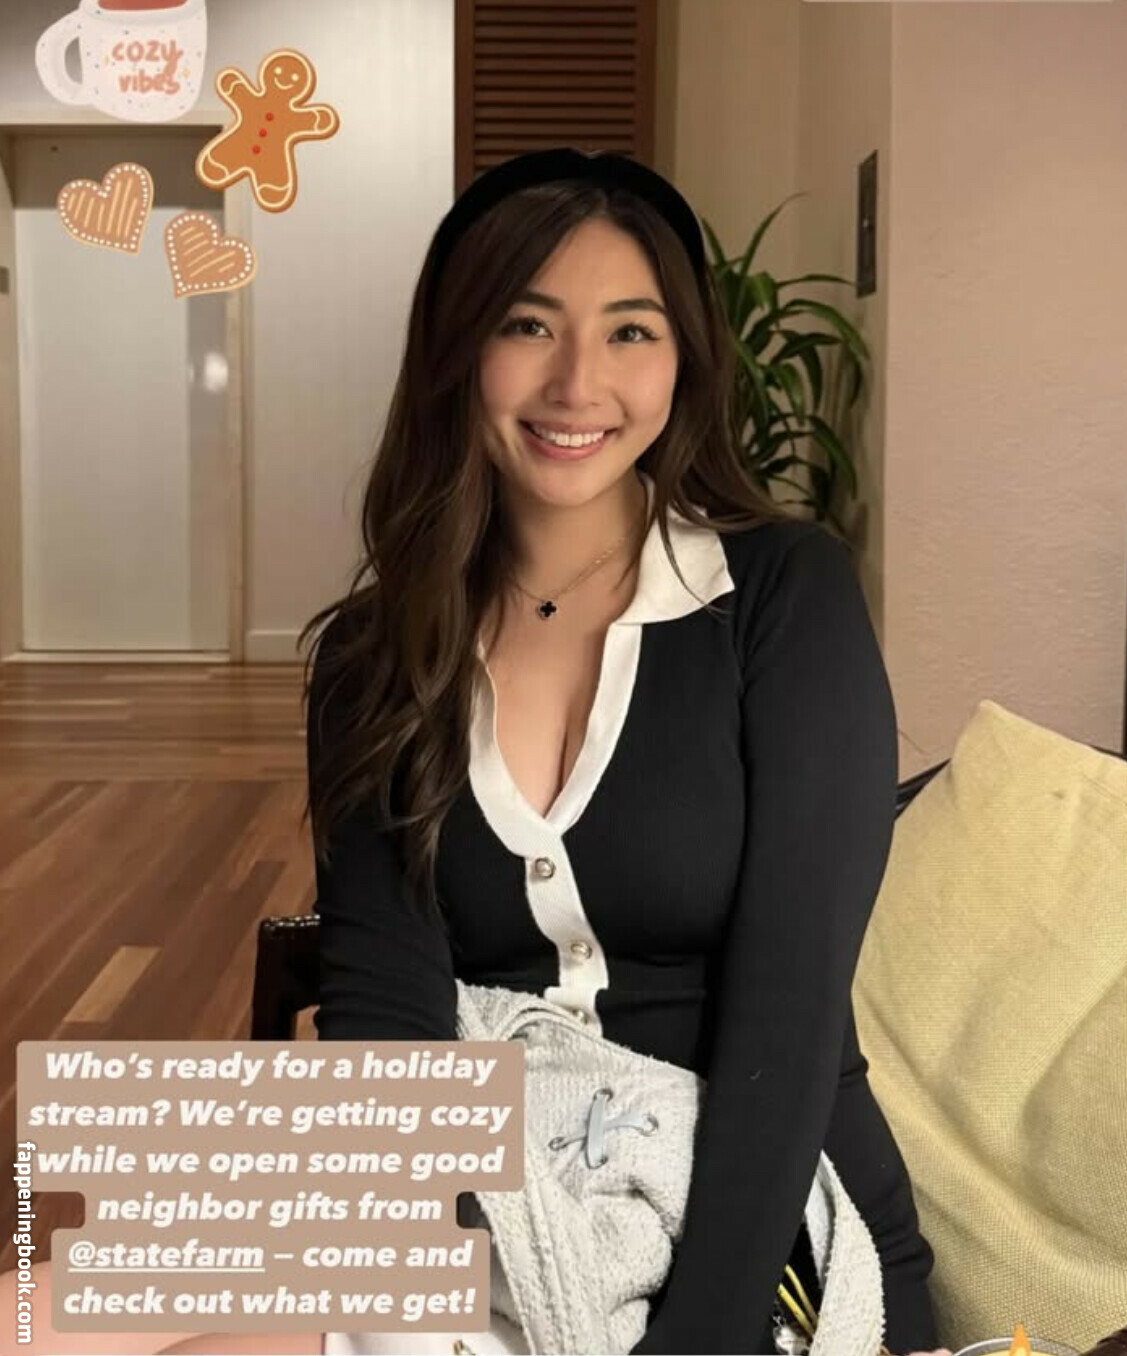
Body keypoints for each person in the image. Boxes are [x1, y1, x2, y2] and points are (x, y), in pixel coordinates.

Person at [302, 148, 949, 1356]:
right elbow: (382, 1011)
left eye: (630, 332)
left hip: (752, 1232)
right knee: (47, 1307)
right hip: (483, 1184)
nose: (576, 382)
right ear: (456, 350)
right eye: (526, 325)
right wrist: (398, 1297)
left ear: (683, 359)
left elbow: (789, 1015)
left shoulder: (781, 597)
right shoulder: (368, 654)